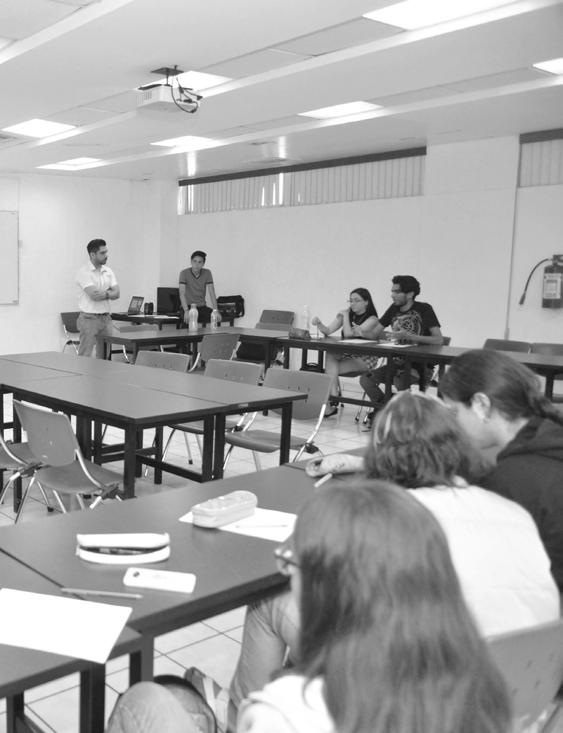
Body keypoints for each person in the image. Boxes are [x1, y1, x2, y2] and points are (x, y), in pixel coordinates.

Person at [218, 392, 560, 723]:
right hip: (526, 688)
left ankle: (245, 717)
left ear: (380, 457)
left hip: (428, 693)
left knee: (274, 600)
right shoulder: (511, 509)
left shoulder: (393, 520)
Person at [106, 480, 513, 733]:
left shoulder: (290, 709)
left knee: (146, 699)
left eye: (296, 558)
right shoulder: (479, 685)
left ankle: (217, 715)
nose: (285, 566)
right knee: (179, 699)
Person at [439, 348, 563, 591]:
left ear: (481, 404)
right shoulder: (549, 436)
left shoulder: (514, 478)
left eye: (454, 412)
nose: (453, 424)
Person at [359, 275, 442, 425]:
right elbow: (375, 333)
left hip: (421, 366)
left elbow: (438, 339)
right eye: (392, 291)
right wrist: (361, 332)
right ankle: (387, 410)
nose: (392, 295)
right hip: (396, 363)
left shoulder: (424, 309)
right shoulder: (393, 309)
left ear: (410, 294)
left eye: (397, 292)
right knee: (366, 379)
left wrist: (411, 336)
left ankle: (392, 414)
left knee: (400, 380)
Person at [311, 288, 379, 417]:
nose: (352, 304)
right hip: (348, 354)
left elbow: (349, 335)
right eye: (351, 300)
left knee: (329, 371)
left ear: (366, 302)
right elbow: (328, 330)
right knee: (330, 353)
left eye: (356, 300)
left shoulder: (372, 319)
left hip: (365, 358)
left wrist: (346, 316)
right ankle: (334, 395)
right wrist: (319, 323)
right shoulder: (347, 314)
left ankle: (331, 402)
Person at [75, 238, 120, 358]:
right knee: (86, 355)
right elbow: (94, 296)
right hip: (89, 319)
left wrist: (104, 294)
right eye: (102, 253)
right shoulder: (83, 272)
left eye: (106, 252)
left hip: (106, 318)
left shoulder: (108, 271)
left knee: (105, 356)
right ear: (92, 255)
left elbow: (117, 293)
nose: (106, 255)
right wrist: (109, 292)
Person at [179, 250, 220, 327]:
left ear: (203, 264)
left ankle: (207, 335)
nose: (196, 264)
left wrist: (215, 310)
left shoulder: (207, 273)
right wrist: (186, 311)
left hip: (202, 307)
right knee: (187, 322)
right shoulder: (184, 273)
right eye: (194, 261)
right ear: (191, 262)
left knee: (216, 318)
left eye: (200, 262)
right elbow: (182, 294)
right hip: (188, 306)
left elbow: (212, 292)